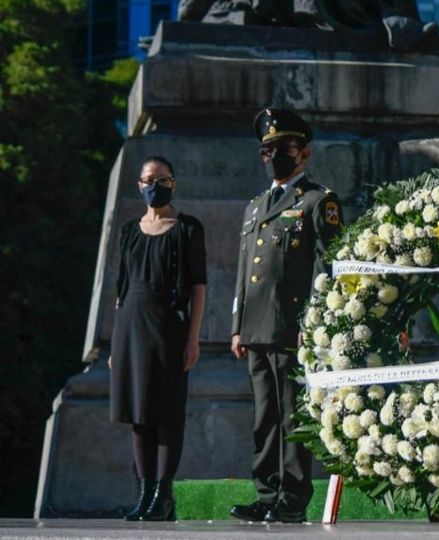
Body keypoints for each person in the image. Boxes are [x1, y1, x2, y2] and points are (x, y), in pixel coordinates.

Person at [229, 108, 343, 523]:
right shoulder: (255, 207)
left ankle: (292, 498)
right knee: (265, 417)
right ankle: (266, 493)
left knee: (293, 415)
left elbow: (325, 268)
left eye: (283, 149)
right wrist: (237, 326)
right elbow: (245, 273)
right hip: (256, 328)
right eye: (267, 150)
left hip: (292, 328)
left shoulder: (317, 201)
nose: (274, 156)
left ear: (304, 154)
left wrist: (312, 325)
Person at [110, 156, 207, 521]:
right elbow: (121, 287)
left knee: (166, 413)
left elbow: (199, 287)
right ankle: (144, 494)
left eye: (162, 179)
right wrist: (114, 343)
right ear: (139, 184)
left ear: (173, 183)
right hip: (130, 326)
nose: (155, 185)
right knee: (139, 412)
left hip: (168, 325)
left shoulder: (188, 229)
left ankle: (163, 496)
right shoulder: (129, 231)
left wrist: (193, 338)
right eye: (148, 180)